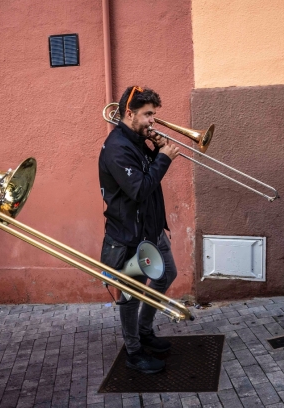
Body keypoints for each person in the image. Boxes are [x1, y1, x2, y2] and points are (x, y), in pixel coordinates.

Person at [98, 86, 180, 374]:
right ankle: (133, 351)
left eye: (154, 115)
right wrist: (164, 158)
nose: (152, 121)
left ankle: (145, 330)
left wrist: (156, 149)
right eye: (147, 115)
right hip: (129, 235)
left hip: (151, 228)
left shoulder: (136, 139)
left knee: (168, 274)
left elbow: (146, 173)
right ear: (129, 113)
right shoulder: (118, 147)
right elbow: (140, 189)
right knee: (131, 295)